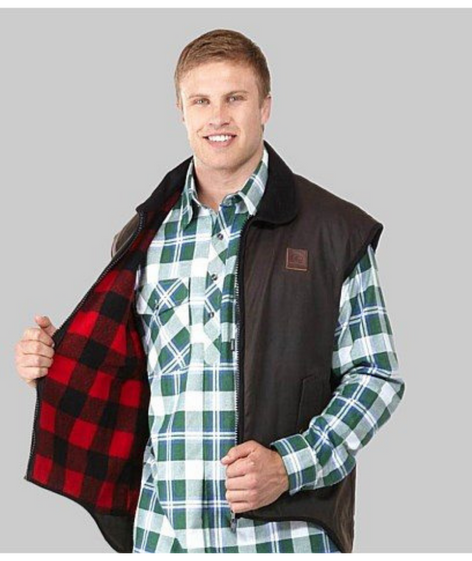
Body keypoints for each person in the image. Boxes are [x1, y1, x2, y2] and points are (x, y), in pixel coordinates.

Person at [15, 28, 405, 554]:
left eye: (234, 98)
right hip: (163, 537)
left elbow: (376, 376)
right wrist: (53, 363)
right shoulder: (142, 237)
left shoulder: (333, 232)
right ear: (181, 111)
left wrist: (290, 465)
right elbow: (126, 376)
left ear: (265, 107)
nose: (217, 117)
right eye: (201, 101)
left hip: (282, 539)